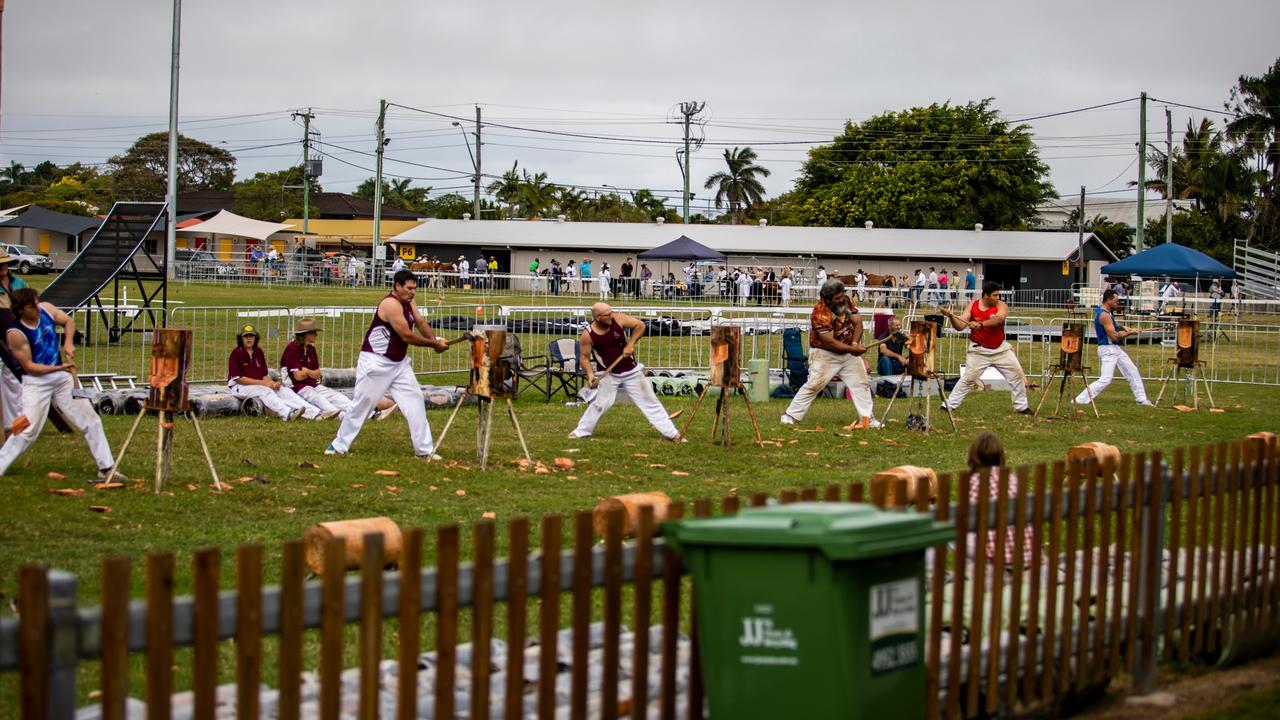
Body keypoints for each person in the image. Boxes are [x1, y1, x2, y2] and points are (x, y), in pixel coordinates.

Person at [327, 270, 452, 458]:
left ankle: (424, 450)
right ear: (397, 286)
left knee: (415, 400)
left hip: (398, 363)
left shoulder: (409, 302)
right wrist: (434, 344)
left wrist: (434, 340)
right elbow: (406, 335)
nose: (412, 292)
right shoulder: (390, 304)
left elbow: (419, 321)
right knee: (362, 405)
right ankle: (337, 446)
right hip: (376, 363)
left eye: (415, 289)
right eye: (409, 288)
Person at [0, 288, 121, 479]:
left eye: (37, 302)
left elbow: (68, 321)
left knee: (91, 419)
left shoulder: (46, 309)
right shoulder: (15, 333)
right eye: (32, 306)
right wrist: (59, 368)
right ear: (21, 310)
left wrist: (68, 343)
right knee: (28, 430)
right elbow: (30, 367)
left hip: (62, 378)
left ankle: (106, 468)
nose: (37, 308)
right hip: (36, 382)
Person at [569, 302, 681, 441]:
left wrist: (631, 343)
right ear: (597, 317)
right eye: (607, 315)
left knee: (649, 401)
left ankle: (673, 434)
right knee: (601, 404)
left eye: (611, 313)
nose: (611, 316)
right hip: (608, 374)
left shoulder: (618, 318)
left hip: (631, 371)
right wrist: (590, 375)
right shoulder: (588, 335)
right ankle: (581, 431)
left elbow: (640, 325)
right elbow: (584, 358)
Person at [780, 279, 878, 429]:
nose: (841, 300)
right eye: (837, 298)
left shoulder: (847, 301)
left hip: (847, 351)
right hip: (824, 354)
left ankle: (868, 419)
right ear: (827, 299)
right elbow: (830, 342)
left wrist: (854, 345)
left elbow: (858, 322)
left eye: (842, 296)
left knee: (861, 383)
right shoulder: (820, 313)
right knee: (814, 384)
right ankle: (790, 415)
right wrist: (854, 350)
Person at [940, 281, 1031, 415]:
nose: (998, 298)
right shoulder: (973, 306)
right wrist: (950, 317)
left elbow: (999, 319)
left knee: (1016, 375)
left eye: (998, 295)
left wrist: (981, 324)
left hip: (1001, 349)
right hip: (979, 350)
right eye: (995, 295)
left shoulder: (1001, 306)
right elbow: (959, 326)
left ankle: (1021, 407)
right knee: (968, 379)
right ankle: (948, 406)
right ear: (986, 296)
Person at [282, 316, 397, 421]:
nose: (316, 335)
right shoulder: (292, 349)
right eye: (314, 333)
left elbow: (317, 374)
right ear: (306, 334)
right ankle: (345, 417)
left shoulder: (311, 349)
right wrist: (308, 373)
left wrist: (306, 371)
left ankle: (372, 415)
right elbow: (298, 377)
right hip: (297, 388)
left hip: (313, 384)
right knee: (321, 401)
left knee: (338, 398)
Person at [228, 324, 329, 421]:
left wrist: (272, 383)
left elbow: (263, 374)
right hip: (239, 387)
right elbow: (240, 379)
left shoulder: (258, 352)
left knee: (283, 390)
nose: (249, 339)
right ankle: (287, 414)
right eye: (246, 336)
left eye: (251, 336)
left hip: (258, 384)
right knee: (264, 391)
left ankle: (314, 414)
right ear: (241, 339)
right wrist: (264, 384)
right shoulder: (236, 353)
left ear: (255, 338)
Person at [966, 433, 1034, 566]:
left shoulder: (976, 482)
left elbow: (967, 520)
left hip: (996, 559)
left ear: (974, 457)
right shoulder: (1013, 479)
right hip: (1027, 556)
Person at [1074, 289, 1152, 407]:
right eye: (1116, 301)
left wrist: (1124, 327)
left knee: (1132, 371)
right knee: (1105, 379)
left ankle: (1141, 399)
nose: (1118, 303)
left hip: (1114, 349)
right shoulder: (1104, 315)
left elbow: (1113, 326)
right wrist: (1131, 333)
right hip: (1108, 350)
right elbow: (1114, 336)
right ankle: (1080, 399)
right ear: (1109, 300)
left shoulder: (1107, 312)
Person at [0, 250, 30, 433]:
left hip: (16, 339)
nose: (2, 266)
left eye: (4, 263)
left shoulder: (19, 283)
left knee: (15, 382)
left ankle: (15, 423)